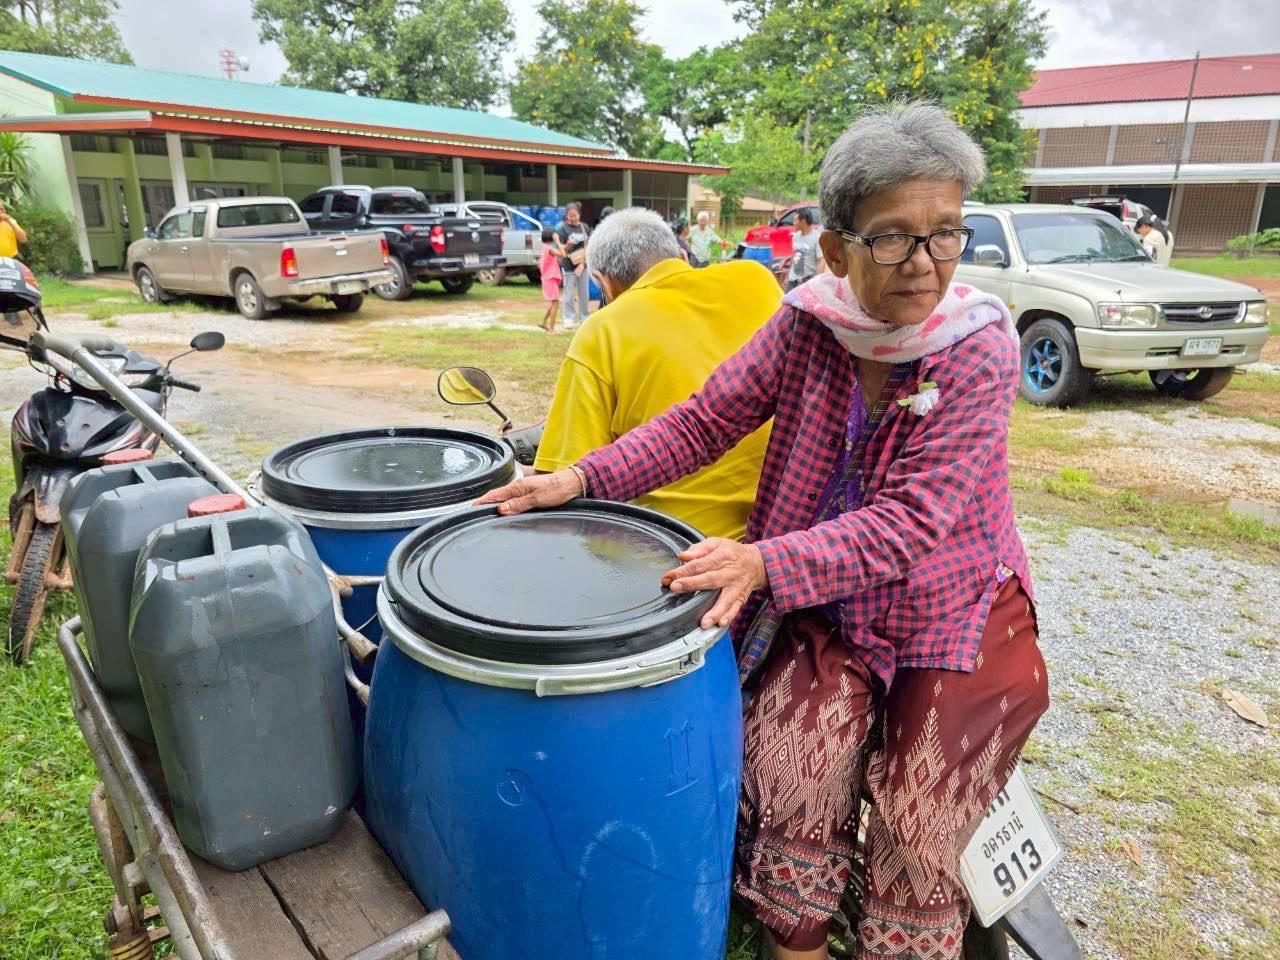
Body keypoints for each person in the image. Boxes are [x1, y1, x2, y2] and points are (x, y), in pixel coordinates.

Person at [479, 103, 1048, 960]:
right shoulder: (805, 325)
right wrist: (580, 476)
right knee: (790, 767)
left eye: (945, 235)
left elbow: (912, 524)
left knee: (916, 824)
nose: (924, 263)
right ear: (834, 250)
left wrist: (760, 560)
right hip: (831, 600)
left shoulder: (977, 349)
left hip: (954, 609)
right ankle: (797, 946)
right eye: (894, 237)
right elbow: (703, 423)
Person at [532, 207, 781, 542]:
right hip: (779, 533)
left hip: (669, 550)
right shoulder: (757, 280)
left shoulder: (602, 331)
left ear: (604, 281)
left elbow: (562, 480)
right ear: (681, 255)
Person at [554, 202, 591, 328]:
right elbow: (561, 249)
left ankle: (584, 318)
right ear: (566, 216)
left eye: (574, 215)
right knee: (568, 293)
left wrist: (582, 264)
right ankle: (568, 318)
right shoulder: (563, 229)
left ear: (579, 215)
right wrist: (567, 245)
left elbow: (588, 246)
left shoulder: (584, 227)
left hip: (583, 265)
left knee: (584, 294)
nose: (572, 218)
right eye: (570, 216)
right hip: (569, 265)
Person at [786, 209, 823, 290]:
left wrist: (818, 282)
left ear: (803, 221)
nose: (793, 223)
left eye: (795, 220)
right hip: (793, 281)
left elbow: (821, 261)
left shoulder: (817, 237)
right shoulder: (795, 236)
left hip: (807, 282)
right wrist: (787, 276)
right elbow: (794, 257)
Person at [537, 227, 563, 333]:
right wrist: (558, 241)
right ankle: (552, 329)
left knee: (554, 302)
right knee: (556, 303)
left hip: (547, 278)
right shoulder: (549, 248)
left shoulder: (545, 247)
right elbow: (563, 254)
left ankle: (543, 322)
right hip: (550, 278)